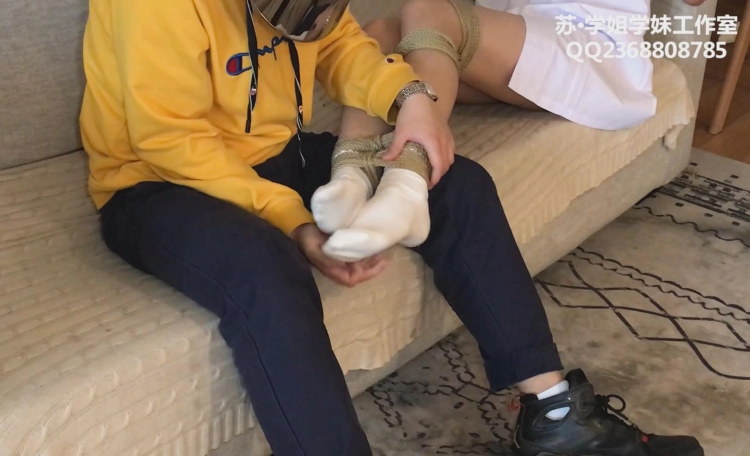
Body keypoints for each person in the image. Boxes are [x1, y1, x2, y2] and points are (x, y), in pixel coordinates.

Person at [78, 0, 705, 455]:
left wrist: (413, 101)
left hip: (273, 153)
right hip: (157, 183)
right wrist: (292, 219)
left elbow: (342, 47)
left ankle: (557, 418)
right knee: (266, 269)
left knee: (457, 184)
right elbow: (169, 140)